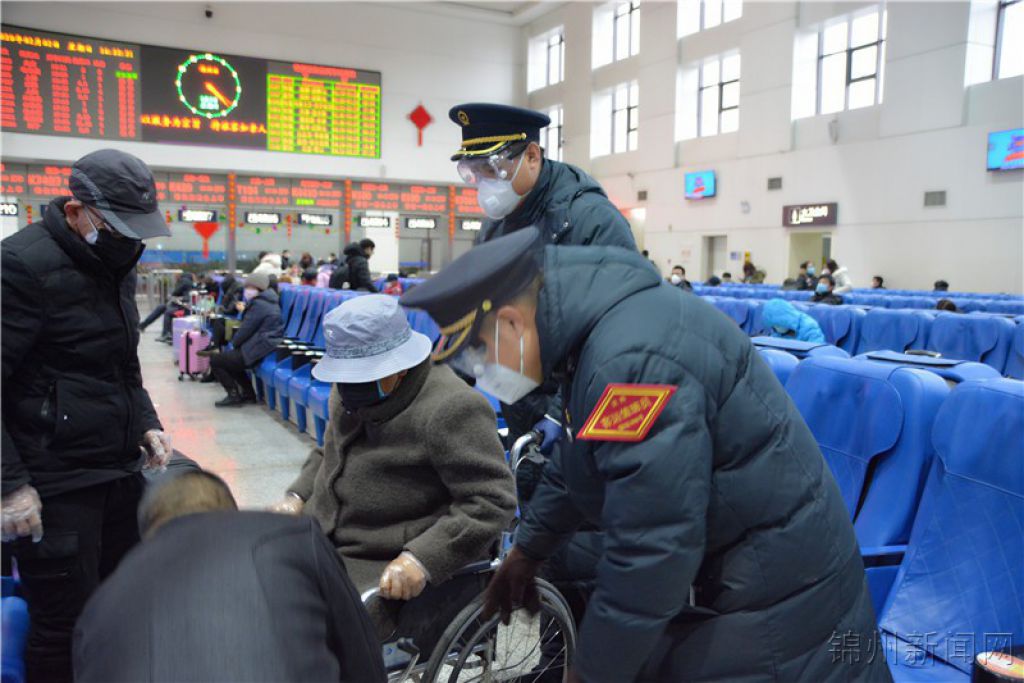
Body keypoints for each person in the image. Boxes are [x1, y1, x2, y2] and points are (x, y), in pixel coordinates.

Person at [400, 228, 890, 683]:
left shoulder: (634, 360)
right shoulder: (603, 335)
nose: (485, 371)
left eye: (481, 352)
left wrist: (589, 673)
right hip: (741, 576)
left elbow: (651, 548)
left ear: (512, 321)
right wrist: (530, 550)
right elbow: (580, 459)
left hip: (773, 604)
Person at [1, 148, 174, 682]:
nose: (129, 241)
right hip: (54, 479)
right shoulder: (20, 266)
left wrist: (146, 420)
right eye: (118, 227)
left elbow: (123, 361)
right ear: (77, 210)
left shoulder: (115, 261)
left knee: (120, 605)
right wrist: (10, 487)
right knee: (66, 624)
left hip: (115, 469)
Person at [271, 295, 516, 634]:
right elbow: (329, 452)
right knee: (251, 592)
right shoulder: (348, 392)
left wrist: (421, 558)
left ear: (400, 366)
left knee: (306, 631)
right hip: (321, 540)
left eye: (363, 375)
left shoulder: (451, 409)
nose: (350, 387)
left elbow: (491, 501)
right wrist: (297, 496)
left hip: (382, 563)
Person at [73, 471, 386, 683]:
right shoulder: (290, 534)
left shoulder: (98, 607)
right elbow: (359, 652)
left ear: (148, 534)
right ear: (232, 512)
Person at [205, 272, 283, 407]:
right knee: (231, 359)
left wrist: (234, 343)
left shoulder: (260, 305)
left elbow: (246, 328)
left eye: (250, 287)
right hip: (262, 344)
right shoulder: (266, 301)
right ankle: (248, 393)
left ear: (258, 288)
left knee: (216, 360)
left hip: (260, 346)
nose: (247, 290)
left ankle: (233, 395)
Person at [139, 271, 192, 336]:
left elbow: (175, 292)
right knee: (161, 307)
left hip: (184, 309)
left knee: (168, 311)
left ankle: (166, 333)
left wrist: (176, 298)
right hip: (180, 306)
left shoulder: (185, 282)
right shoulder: (187, 282)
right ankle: (143, 325)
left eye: (177, 276)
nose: (176, 277)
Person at [761, 298, 826, 343]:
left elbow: (816, 349)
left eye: (778, 325)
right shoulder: (777, 328)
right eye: (774, 326)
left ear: (786, 320)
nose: (776, 328)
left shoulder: (810, 327)